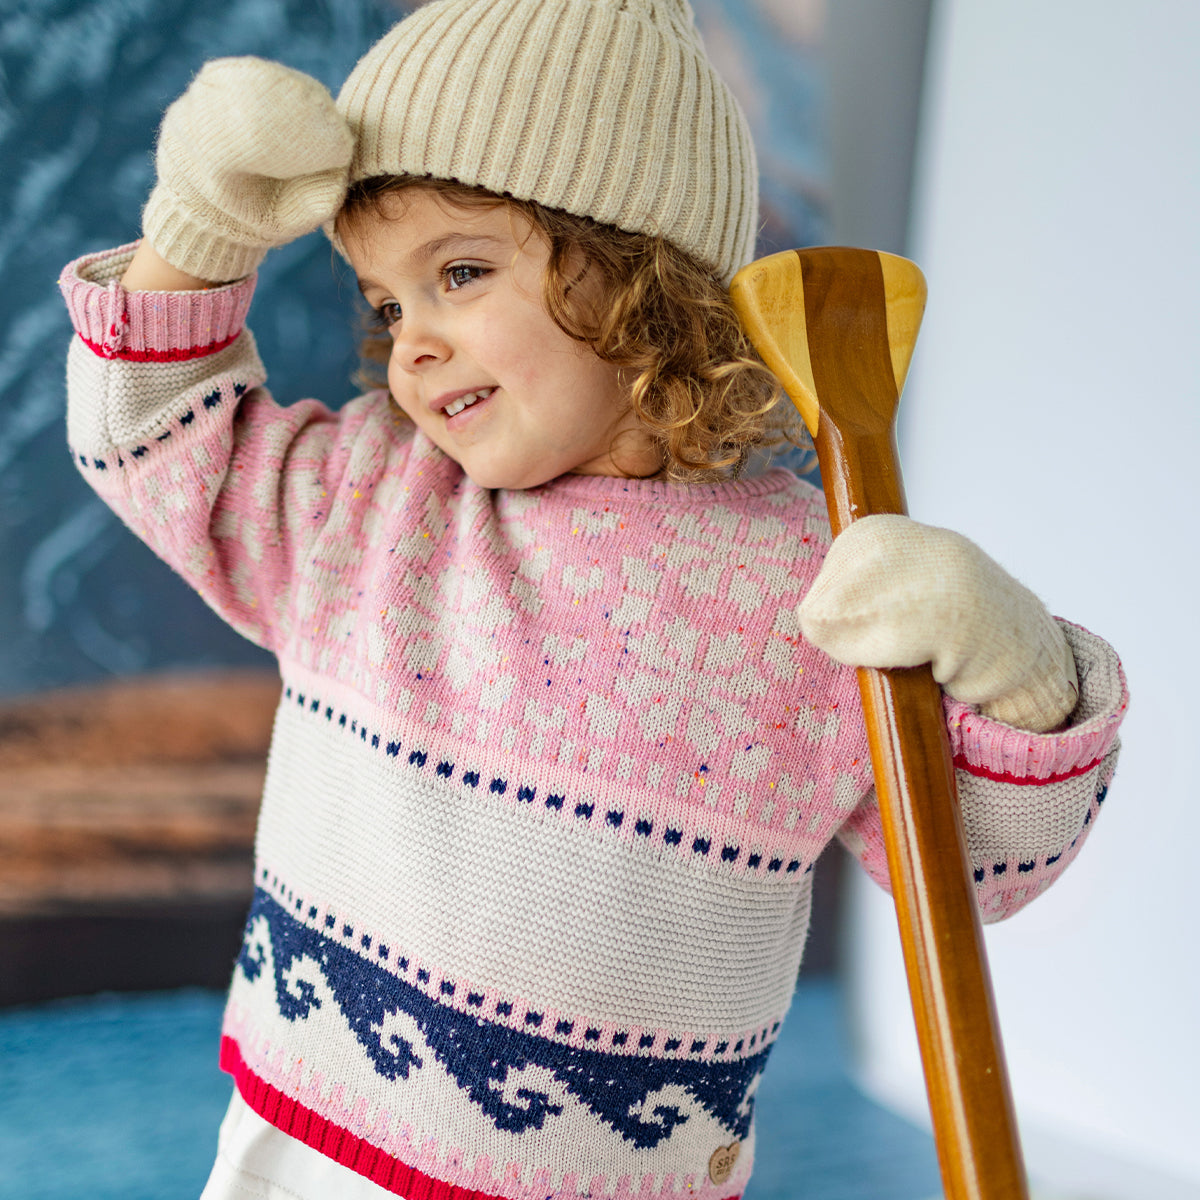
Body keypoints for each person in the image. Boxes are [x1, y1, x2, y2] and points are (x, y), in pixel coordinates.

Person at [58, 1, 1127, 1196]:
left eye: (460, 273)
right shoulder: (370, 502)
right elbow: (149, 440)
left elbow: (983, 869)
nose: (410, 343)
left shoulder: (815, 590)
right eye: (388, 303)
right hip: (309, 1158)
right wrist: (198, 232)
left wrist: (1022, 676)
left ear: (637, 277)